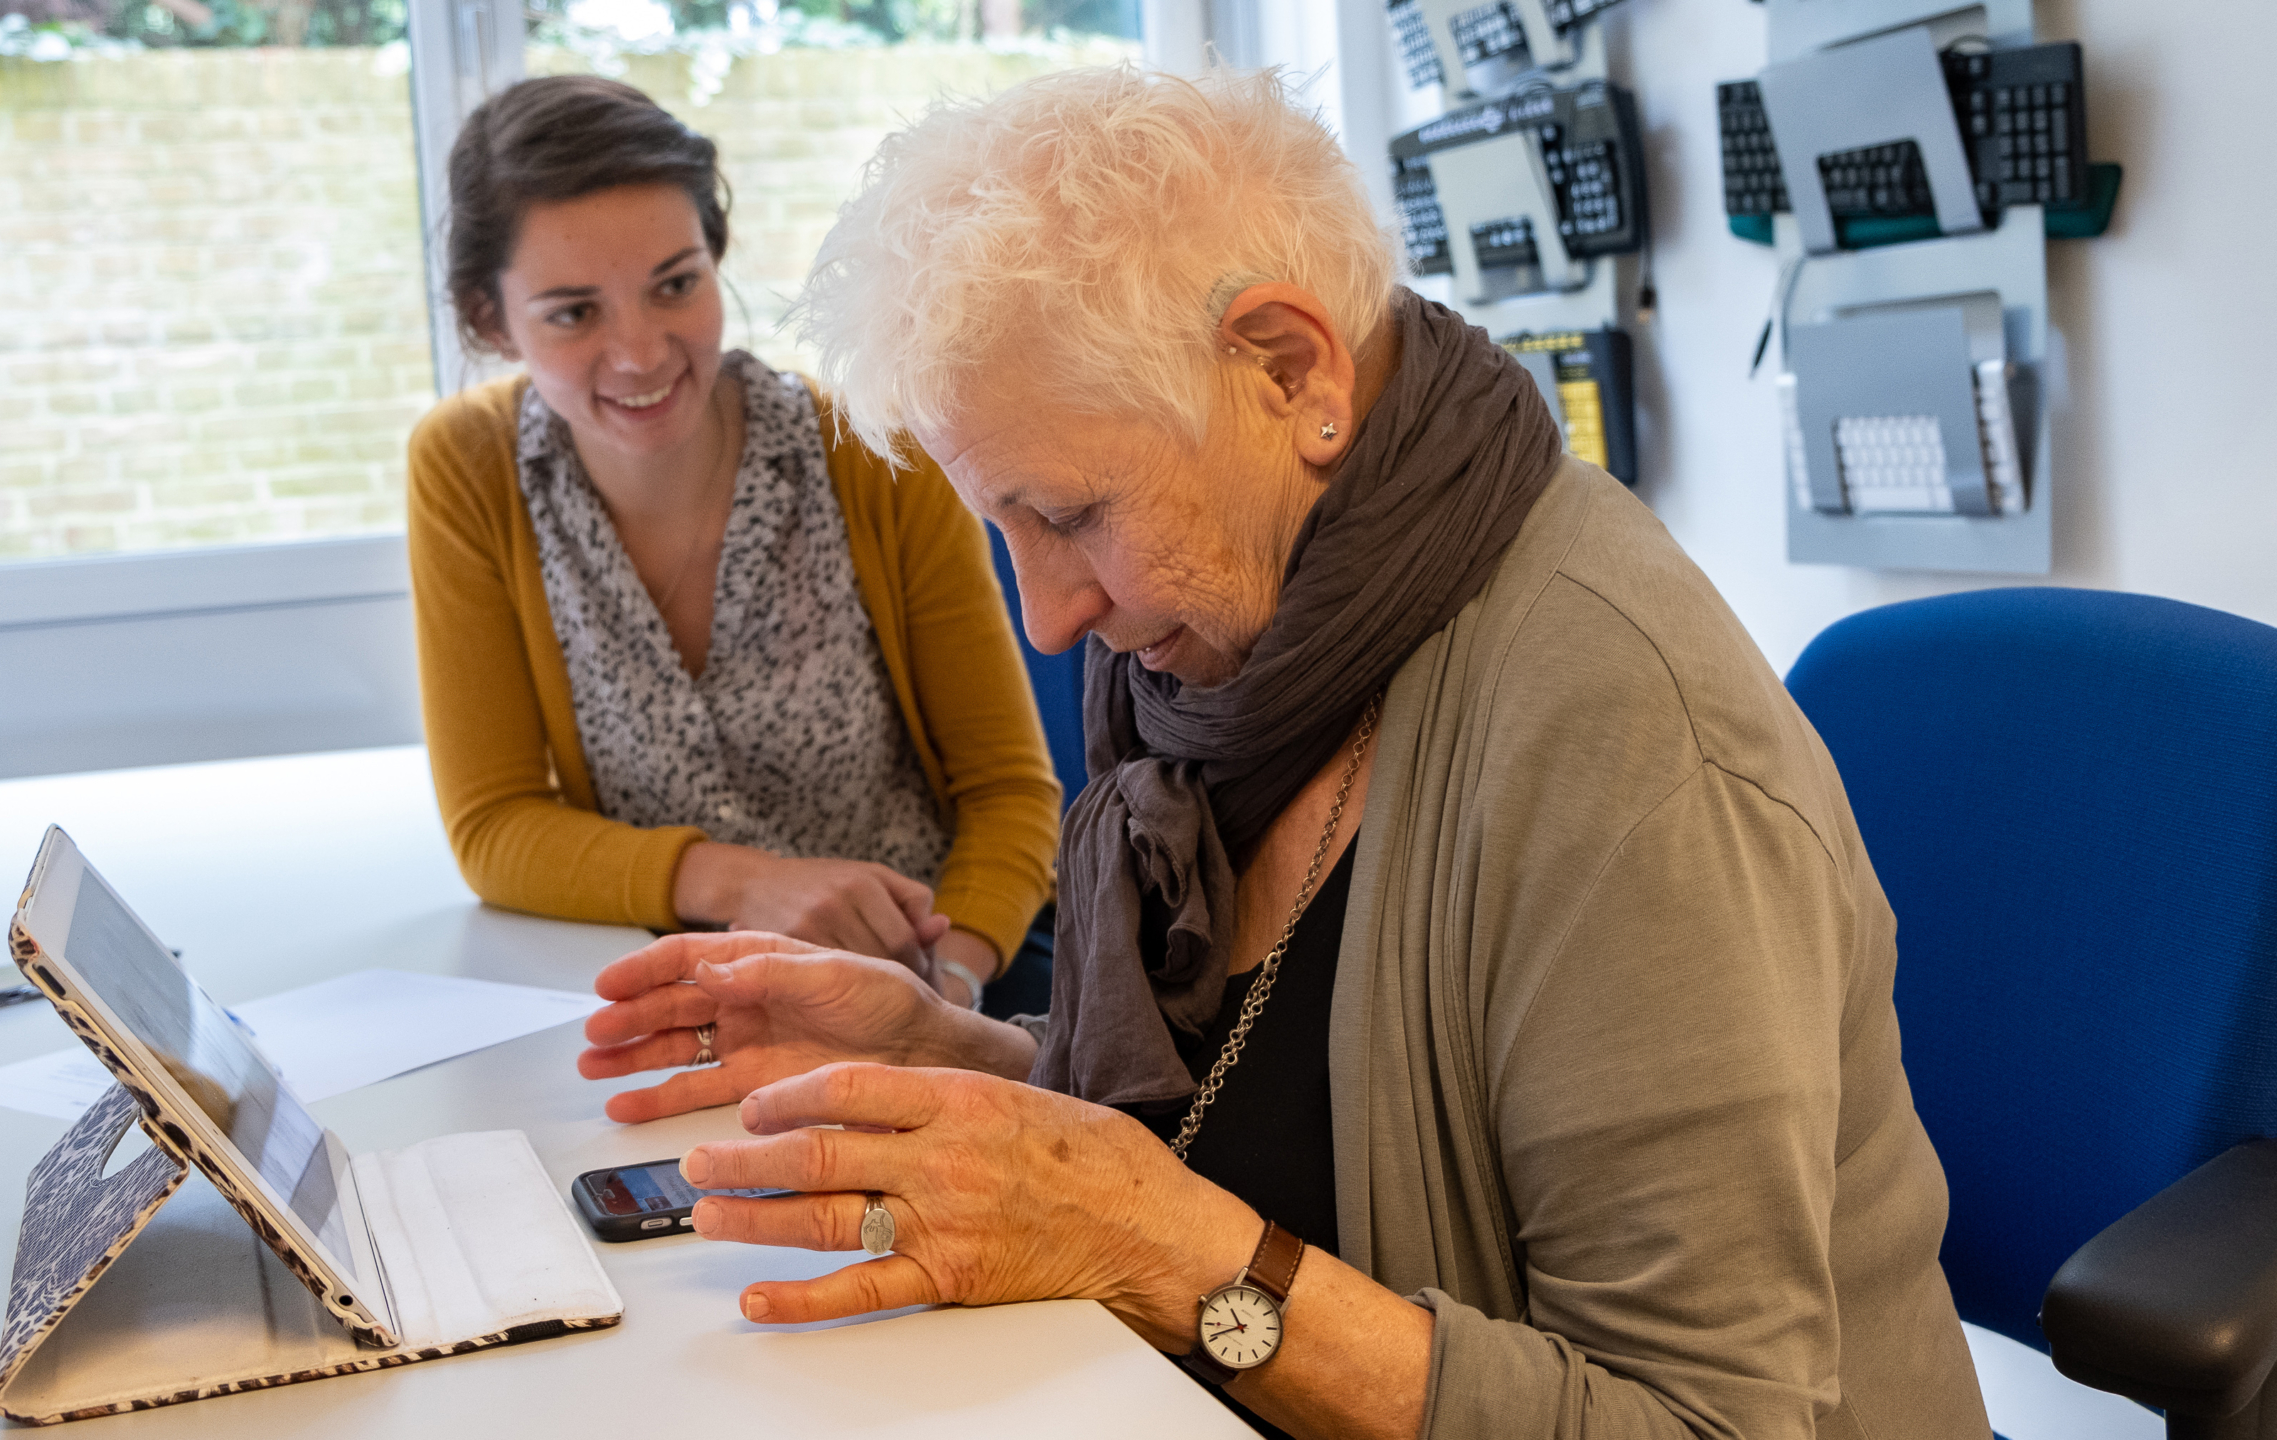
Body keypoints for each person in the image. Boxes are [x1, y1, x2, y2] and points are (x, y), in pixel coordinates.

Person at [575, 66, 1994, 1440]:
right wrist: (961, 1060)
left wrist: (1173, 1260)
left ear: (1288, 368)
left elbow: (1704, 1422)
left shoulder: (1622, 741)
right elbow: (1271, 1121)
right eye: (999, 528)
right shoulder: (1234, 662)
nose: (1052, 617)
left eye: (1067, 516)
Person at [405, 76, 1062, 1007]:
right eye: (573, 312)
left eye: (675, 285)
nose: (640, 352)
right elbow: (496, 827)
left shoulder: (869, 453)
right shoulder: (468, 468)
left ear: (716, 262)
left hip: (934, 970)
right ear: (489, 319)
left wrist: (938, 993)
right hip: (677, 991)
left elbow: (1012, 792)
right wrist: (747, 882)